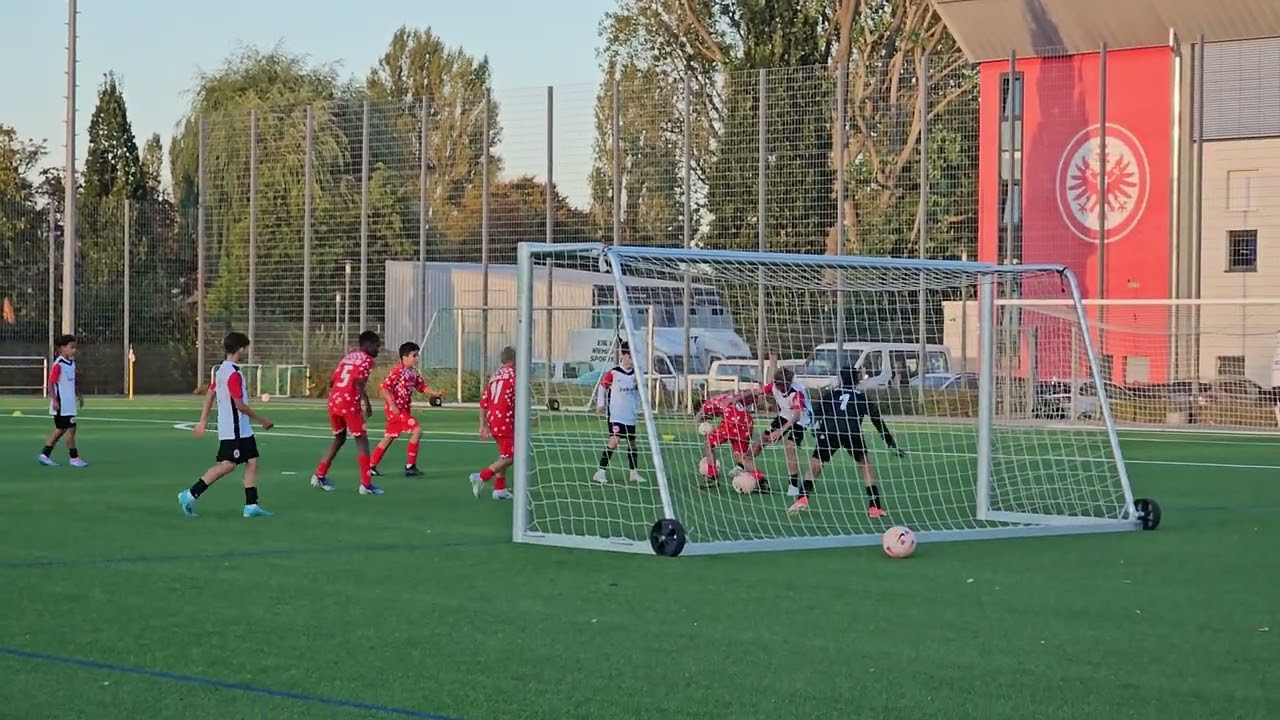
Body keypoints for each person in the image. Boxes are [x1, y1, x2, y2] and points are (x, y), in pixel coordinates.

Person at [179, 332, 274, 518]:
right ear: (240, 349)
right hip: (234, 430)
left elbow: (209, 395)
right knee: (228, 466)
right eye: (244, 348)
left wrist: (203, 421)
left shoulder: (221, 370)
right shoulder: (233, 374)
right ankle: (190, 494)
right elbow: (239, 404)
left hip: (241, 429)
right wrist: (262, 420)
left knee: (253, 461)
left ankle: (251, 505)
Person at [791, 367, 905, 516]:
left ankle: (802, 497)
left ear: (841, 379)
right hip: (852, 432)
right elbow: (876, 419)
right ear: (856, 379)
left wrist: (816, 430)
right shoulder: (861, 396)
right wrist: (889, 441)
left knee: (816, 462)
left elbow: (816, 414)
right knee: (865, 465)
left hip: (830, 431)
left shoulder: (831, 393)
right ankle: (874, 506)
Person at [311, 331, 383, 494]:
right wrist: (367, 402)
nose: (378, 351)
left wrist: (337, 395)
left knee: (339, 437)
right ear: (368, 345)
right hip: (349, 402)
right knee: (361, 440)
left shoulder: (348, 357)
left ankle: (319, 474)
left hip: (334, 400)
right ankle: (366, 484)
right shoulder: (366, 360)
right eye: (377, 347)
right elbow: (358, 382)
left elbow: (332, 380)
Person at [370, 341, 443, 477]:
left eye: (417, 355)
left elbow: (422, 386)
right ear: (404, 358)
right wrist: (392, 404)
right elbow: (384, 389)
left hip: (403, 410)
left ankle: (371, 465)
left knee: (388, 438)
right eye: (414, 355)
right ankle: (410, 466)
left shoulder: (413, 373)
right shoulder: (398, 371)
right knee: (417, 430)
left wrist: (435, 393)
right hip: (396, 411)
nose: (416, 358)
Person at [754, 367, 813, 498]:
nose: (779, 387)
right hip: (785, 415)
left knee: (789, 448)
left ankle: (793, 485)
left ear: (789, 383)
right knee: (762, 440)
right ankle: (742, 465)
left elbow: (797, 415)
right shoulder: (773, 386)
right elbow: (758, 392)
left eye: (782, 384)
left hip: (801, 420)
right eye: (778, 384)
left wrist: (781, 430)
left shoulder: (797, 392)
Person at [694, 389, 767, 492]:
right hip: (747, 422)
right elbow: (749, 393)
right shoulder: (728, 396)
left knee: (708, 444)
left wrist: (702, 425)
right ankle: (761, 481)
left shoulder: (707, 404)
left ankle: (712, 477)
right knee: (740, 457)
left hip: (733, 422)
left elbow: (698, 417)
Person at [471, 346, 516, 500]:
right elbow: (517, 399)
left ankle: (500, 489)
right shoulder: (515, 375)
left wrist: (482, 425)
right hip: (506, 418)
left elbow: (484, 402)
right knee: (512, 457)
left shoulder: (495, 376)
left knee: (504, 454)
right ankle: (482, 476)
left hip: (493, 418)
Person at [593, 342, 643, 484]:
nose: (633, 360)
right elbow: (602, 386)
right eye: (630, 357)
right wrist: (600, 404)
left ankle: (633, 473)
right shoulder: (614, 372)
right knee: (614, 441)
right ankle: (600, 472)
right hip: (616, 415)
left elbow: (641, 392)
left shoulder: (636, 374)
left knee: (632, 443)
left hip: (630, 415)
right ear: (624, 356)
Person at [38, 334, 86, 467]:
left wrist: (79, 395)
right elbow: (51, 383)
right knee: (71, 429)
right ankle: (74, 458)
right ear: (63, 348)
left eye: (75, 347)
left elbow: (72, 382)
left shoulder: (72, 363)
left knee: (60, 430)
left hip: (69, 404)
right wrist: (54, 400)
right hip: (62, 405)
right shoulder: (58, 364)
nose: (74, 350)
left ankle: (44, 455)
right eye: (71, 347)